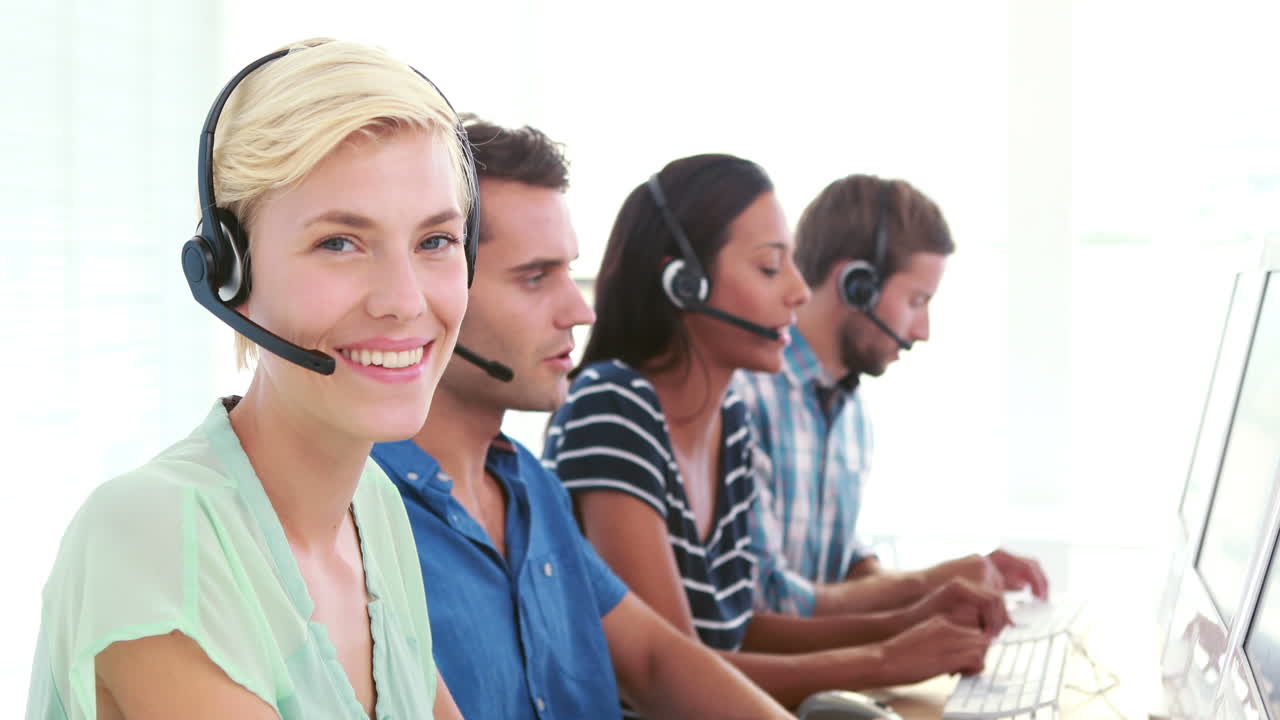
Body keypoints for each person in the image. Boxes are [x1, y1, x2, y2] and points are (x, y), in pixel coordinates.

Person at [26, 39, 469, 719]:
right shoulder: (150, 534)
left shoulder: (374, 506)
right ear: (228, 274)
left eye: (435, 241)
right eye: (339, 243)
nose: (405, 301)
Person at [542, 154, 1009, 712]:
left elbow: (740, 631)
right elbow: (670, 673)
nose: (799, 292)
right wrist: (884, 659)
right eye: (769, 268)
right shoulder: (613, 408)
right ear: (683, 283)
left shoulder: (728, 424)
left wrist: (909, 624)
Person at [371, 117, 789, 720]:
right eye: (536, 277)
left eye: (569, 271)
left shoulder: (532, 488)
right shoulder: (357, 515)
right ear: (432, 288)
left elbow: (653, 660)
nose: (579, 310)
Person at [733, 174, 1050, 618]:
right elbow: (770, 601)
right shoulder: (745, 396)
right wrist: (930, 588)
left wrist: (961, 583)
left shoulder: (850, 413)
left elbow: (843, 570)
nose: (923, 331)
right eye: (917, 301)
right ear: (855, 285)